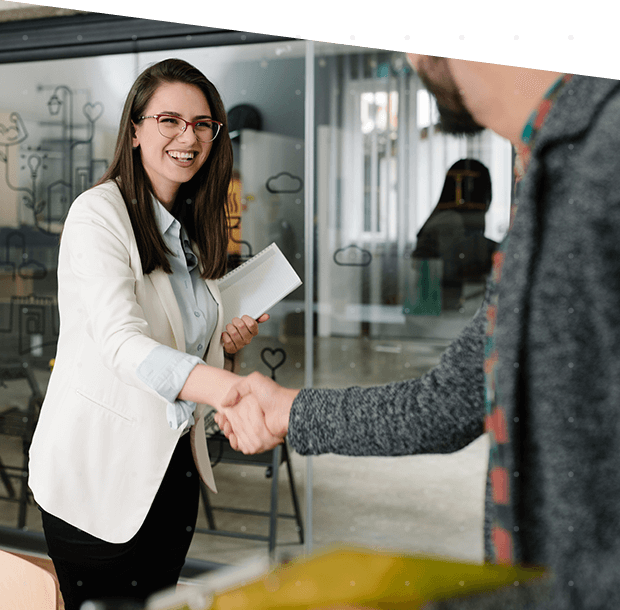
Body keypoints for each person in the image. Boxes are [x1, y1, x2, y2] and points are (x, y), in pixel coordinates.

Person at [214, 56, 620, 609]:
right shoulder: (551, 171)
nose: (408, 59)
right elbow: (450, 402)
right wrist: (289, 410)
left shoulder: (605, 156)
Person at [28, 58, 268, 610]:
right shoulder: (99, 214)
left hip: (170, 468)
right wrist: (231, 391)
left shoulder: (190, 224)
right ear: (135, 129)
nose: (189, 136)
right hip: (96, 476)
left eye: (203, 124)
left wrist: (221, 344)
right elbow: (122, 342)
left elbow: (176, 338)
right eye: (170, 120)